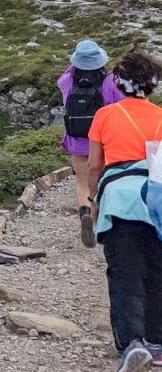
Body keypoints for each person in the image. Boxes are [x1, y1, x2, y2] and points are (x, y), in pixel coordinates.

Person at [88, 50, 162, 372]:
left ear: (118, 83)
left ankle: (132, 343)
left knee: (125, 272)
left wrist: (93, 201)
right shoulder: (161, 116)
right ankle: (158, 344)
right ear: (153, 85)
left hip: (120, 200)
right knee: (157, 272)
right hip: (157, 200)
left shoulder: (105, 116)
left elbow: (93, 165)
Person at [58, 40, 124, 247]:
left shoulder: (67, 80)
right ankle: (102, 222)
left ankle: (85, 213)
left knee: (82, 182)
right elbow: (121, 106)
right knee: (105, 180)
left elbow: (65, 80)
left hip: (77, 138)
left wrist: (74, 66)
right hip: (104, 139)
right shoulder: (111, 81)